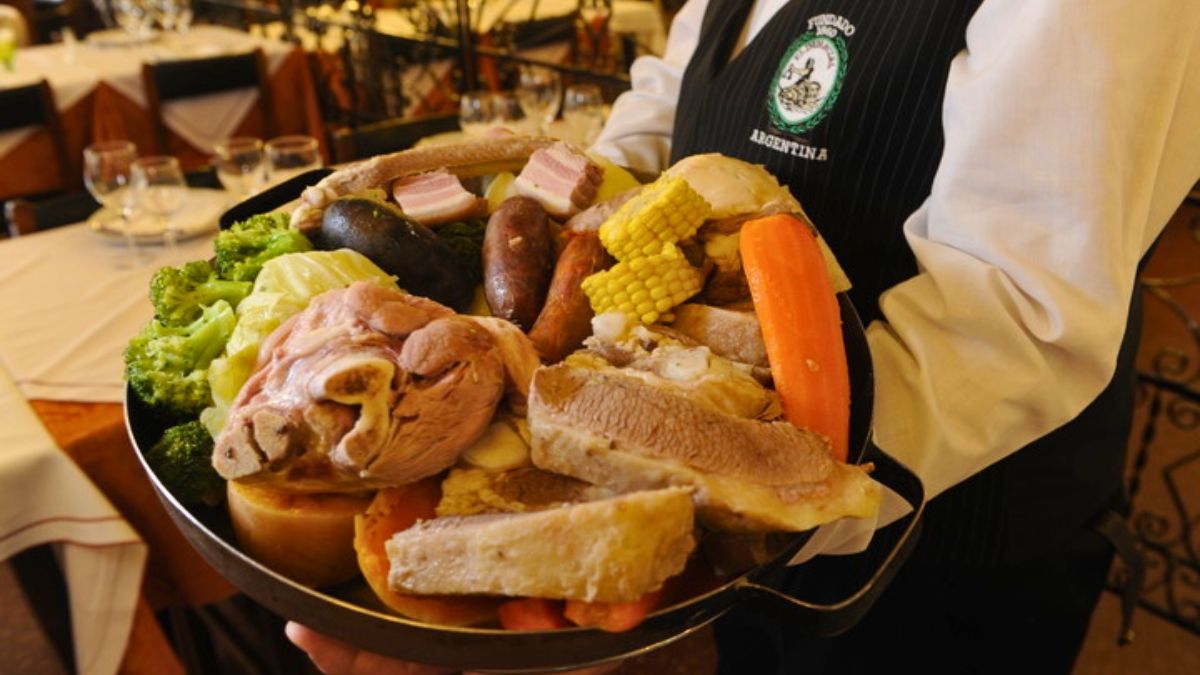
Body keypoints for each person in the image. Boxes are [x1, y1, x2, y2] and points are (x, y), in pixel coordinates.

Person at [288, 1, 1200, 672]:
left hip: (930, 557)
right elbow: (663, 119)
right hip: (717, 500)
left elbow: (1013, 313)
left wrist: (718, 516)